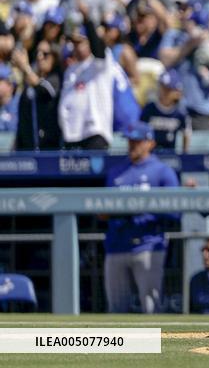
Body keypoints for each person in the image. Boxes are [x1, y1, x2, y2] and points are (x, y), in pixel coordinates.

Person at [103, 122, 179, 313]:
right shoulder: (116, 172)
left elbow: (176, 211)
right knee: (116, 309)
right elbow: (102, 209)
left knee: (151, 307)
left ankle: (155, 343)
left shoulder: (162, 171)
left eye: (137, 141)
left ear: (150, 143)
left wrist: (141, 208)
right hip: (117, 244)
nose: (132, 145)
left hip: (148, 244)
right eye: (130, 141)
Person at [58, 17, 114, 149]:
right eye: (74, 43)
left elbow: (99, 50)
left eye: (80, 42)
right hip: (72, 135)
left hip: (94, 133)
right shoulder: (70, 70)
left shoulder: (99, 64)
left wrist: (88, 19)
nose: (76, 47)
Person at [11, 42, 61, 150]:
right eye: (37, 53)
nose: (39, 57)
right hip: (27, 148)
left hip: (48, 148)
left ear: (54, 57)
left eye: (45, 54)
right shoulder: (29, 84)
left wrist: (25, 67)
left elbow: (44, 90)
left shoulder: (55, 78)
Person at [140, 69, 191, 152]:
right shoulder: (149, 109)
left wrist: (184, 154)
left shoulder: (180, 113)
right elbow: (141, 132)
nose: (163, 92)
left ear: (176, 92)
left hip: (170, 156)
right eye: (162, 87)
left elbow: (187, 133)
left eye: (168, 89)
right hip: (150, 155)